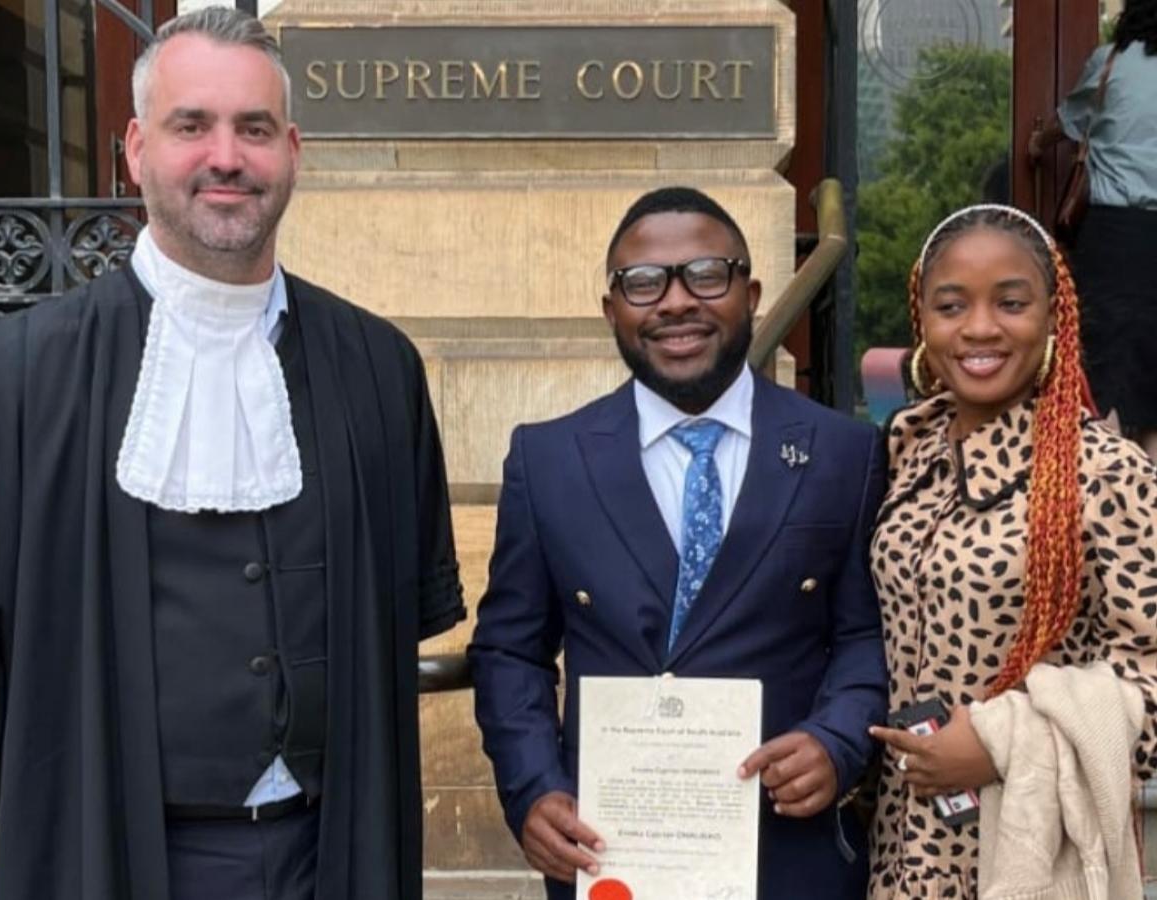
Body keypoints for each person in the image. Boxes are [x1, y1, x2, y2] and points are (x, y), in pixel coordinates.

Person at [0, 8, 464, 900]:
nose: (226, 156)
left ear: (294, 152)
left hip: (331, 858)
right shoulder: (14, 374)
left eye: (254, 129)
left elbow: (396, 630)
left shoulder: (381, 368)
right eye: (191, 125)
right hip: (107, 859)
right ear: (135, 150)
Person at [468, 186, 889, 899]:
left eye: (705, 274)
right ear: (612, 310)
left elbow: (867, 634)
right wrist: (533, 789)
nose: (674, 302)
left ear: (751, 293)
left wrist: (838, 741)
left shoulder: (845, 453)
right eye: (642, 283)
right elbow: (511, 649)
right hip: (613, 859)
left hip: (789, 855)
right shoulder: (548, 460)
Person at [867, 204, 1157, 898]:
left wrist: (1003, 741)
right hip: (895, 851)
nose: (979, 328)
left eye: (1011, 302)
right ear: (922, 322)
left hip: (1029, 851)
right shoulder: (907, 456)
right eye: (951, 305)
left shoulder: (1108, 473)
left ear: (1055, 318)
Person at [1028, 0, 1157, 461]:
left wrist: (1037, 142)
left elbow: (1070, 121)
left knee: (1111, 376)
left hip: (1116, 240)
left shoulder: (1112, 64)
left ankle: (1115, 513)